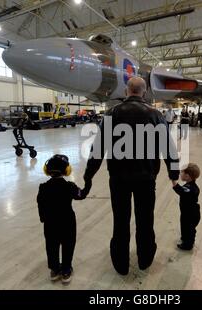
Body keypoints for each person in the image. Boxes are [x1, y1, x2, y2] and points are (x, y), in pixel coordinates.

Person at [83, 77, 179, 275]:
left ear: (127, 91)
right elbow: (168, 148)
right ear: (144, 93)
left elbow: (98, 149)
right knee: (145, 220)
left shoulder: (112, 113)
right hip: (146, 178)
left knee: (121, 220)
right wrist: (174, 173)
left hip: (119, 179)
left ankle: (121, 263)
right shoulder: (156, 115)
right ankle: (145, 260)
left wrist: (89, 176)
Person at [37, 154, 90, 283]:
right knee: (68, 244)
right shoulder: (70, 187)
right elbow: (81, 195)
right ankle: (66, 270)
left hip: (50, 222)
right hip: (68, 221)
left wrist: (43, 218)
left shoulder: (43, 187)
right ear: (67, 170)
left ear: (47, 170)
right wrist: (88, 183)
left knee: (51, 245)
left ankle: (54, 270)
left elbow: (40, 204)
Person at [172, 163, 201, 251]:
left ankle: (188, 245)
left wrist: (173, 180)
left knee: (189, 229)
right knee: (185, 226)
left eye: (181, 172)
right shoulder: (190, 185)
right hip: (186, 212)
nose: (180, 174)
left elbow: (181, 191)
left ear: (187, 176)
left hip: (191, 214)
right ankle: (185, 238)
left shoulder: (190, 188)